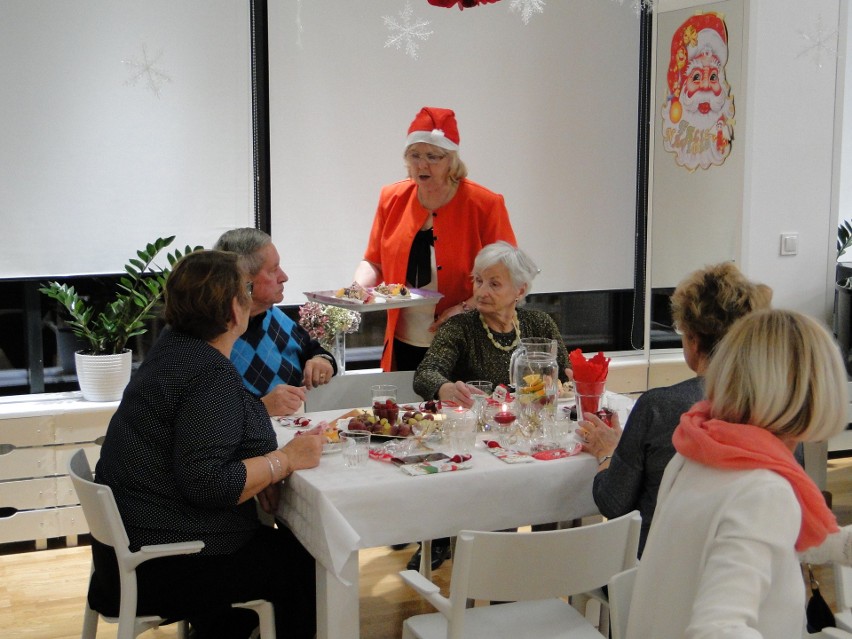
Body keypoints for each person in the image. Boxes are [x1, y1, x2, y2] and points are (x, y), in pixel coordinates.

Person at [90, 250, 323, 639]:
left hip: (136, 542)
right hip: (166, 560)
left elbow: (202, 441)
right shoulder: (207, 374)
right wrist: (284, 460)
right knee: (307, 560)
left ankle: (223, 628)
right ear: (234, 309)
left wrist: (262, 472)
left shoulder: (173, 348)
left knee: (284, 546)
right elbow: (211, 483)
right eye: (247, 289)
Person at [626, 309, 852, 638]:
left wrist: (841, 547)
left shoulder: (699, 452)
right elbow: (715, 630)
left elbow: (753, 540)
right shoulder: (764, 491)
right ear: (814, 394)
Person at [580, 262, 772, 557]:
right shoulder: (776, 410)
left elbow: (613, 503)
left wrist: (608, 453)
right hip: (749, 570)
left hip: (656, 578)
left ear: (693, 340)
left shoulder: (659, 407)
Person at [354, 106, 517, 373]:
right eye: (414, 155)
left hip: (466, 337)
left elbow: (510, 275)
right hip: (403, 339)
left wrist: (465, 308)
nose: (422, 164)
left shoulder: (484, 204)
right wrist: (355, 291)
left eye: (433, 156)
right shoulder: (391, 198)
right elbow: (373, 262)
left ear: (451, 159)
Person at [414, 241, 569, 404]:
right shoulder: (459, 327)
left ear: (520, 290)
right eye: (479, 281)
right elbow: (425, 373)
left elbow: (566, 374)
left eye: (494, 284)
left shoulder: (539, 323)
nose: (481, 292)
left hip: (531, 418)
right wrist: (444, 388)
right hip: (475, 422)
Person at [215, 228, 336, 417]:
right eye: (273, 270)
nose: (284, 277)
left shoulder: (272, 314)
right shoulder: (215, 335)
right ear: (244, 280)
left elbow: (313, 350)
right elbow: (209, 418)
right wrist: (262, 407)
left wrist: (321, 360)